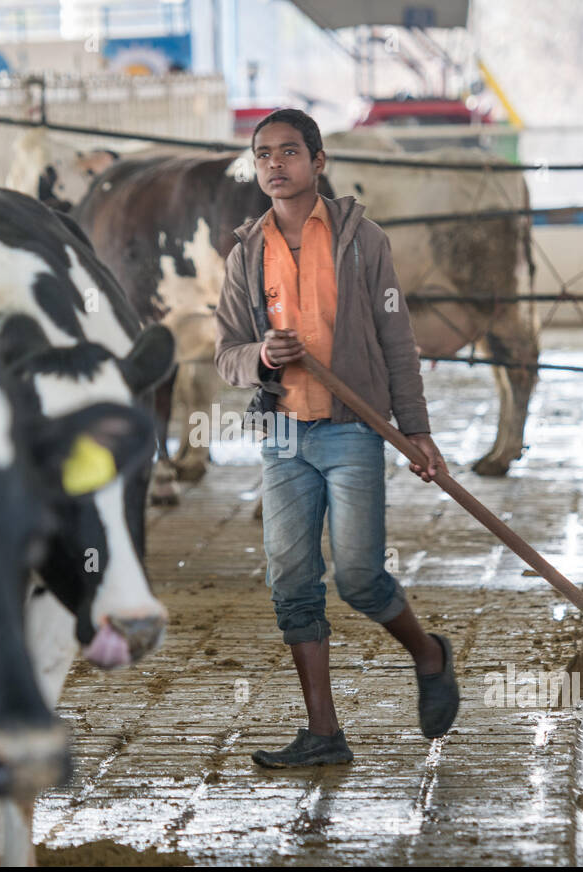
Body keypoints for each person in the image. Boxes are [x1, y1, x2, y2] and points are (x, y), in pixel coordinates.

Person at [214, 108, 461, 768]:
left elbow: (396, 341)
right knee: (291, 582)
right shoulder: (246, 252)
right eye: (264, 154)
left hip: (354, 431)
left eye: (290, 152)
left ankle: (430, 655)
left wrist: (417, 430)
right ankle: (324, 733)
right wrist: (262, 354)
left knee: (358, 577)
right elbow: (226, 354)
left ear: (318, 163)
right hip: (284, 438)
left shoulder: (362, 241)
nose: (275, 164)